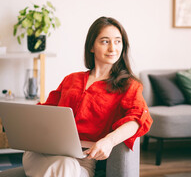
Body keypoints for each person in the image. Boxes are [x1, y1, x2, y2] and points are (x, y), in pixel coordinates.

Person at [23, 17, 153, 177]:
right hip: (44, 152)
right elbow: (47, 110)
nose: (113, 48)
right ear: (91, 46)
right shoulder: (71, 79)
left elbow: (137, 118)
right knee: (51, 161)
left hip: (82, 159)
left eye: (118, 41)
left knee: (67, 166)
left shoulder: (128, 85)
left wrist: (109, 141)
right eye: (105, 41)